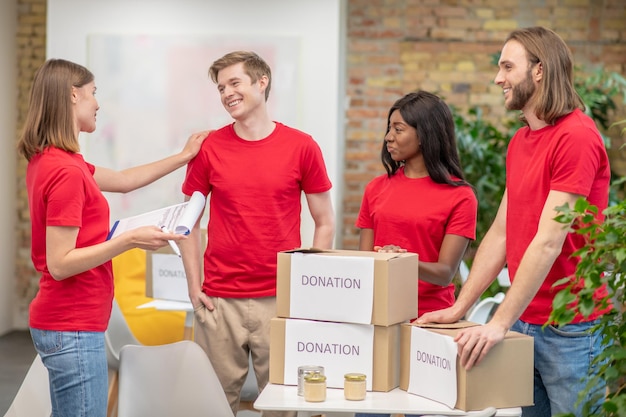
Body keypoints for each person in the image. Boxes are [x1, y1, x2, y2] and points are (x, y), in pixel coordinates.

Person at [417, 27, 611, 417]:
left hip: (571, 328)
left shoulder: (576, 136)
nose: (498, 78)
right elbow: (502, 232)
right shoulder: (521, 142)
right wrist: (462, 308)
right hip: (526, 320)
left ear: (539, 71)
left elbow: (548, 241)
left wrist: (498, 323)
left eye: (508, 66)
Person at [17, 58, 208, 417]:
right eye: (93, 93)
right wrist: (129, 240)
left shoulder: (54, 160)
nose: (98, 103)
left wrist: (184, 157)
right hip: (71, 323)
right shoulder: (66, 171)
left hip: (66, 321)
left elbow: (123, 180)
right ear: (73, 96)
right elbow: (60, 264)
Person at [179, 51, 335, 417]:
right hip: (219, 301)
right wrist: (193, 283)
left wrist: (308, 287)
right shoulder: (210, 148)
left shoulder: (302, 146)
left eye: (235, 83)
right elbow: (188, 222)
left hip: (281, 301)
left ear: (261, 82)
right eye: (221, 88)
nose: (227, 93)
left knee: (283, 406)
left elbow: (324, 221)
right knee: (212, 406)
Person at [354, 91, 477, 417]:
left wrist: (403, 261)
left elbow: (444, 272)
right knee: (371, 411)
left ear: (424, 134)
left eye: (398, 129)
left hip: (431, 323)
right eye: (388, 128)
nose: (388, 137)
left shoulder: (460, 196)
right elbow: (364, 262)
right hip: (379, 321)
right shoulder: (376, 189)